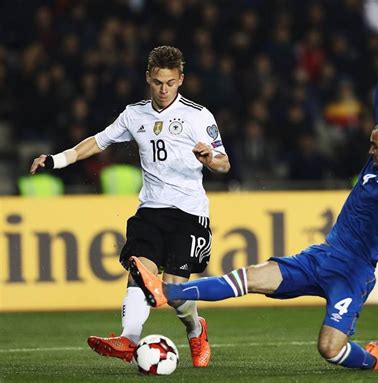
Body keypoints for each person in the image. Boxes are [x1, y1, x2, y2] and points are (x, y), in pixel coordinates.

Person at [128, 14, 378, 371]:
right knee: (251, 277)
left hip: (353, 274)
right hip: (323, 257)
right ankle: (167, 292)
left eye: (375, 147)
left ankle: (368, 360)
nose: (369, 150)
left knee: (330, 349)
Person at [30, 46, 231, 367]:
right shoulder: (134, 114)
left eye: (170, 83)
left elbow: (224, 163)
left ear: (181, 79)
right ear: (148, 79)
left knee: (177, 295)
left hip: (189, 212)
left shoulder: (198, 115)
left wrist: (210, 159)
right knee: (138, 270)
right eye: (157, 83)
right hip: (150, 209)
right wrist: (56, 159)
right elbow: (97, 141)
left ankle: (196, 328)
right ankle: (129, 339)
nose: (163, 90)